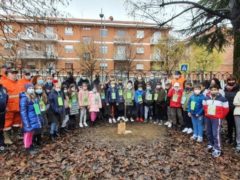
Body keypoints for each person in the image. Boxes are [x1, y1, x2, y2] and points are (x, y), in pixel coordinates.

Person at [203, 84, 229, 158]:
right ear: (209, 90)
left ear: (218, 90)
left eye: (215, 89)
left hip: (216, 119)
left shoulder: (223, 99)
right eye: (212, 89)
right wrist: (207, 114)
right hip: (208, 117)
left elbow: (226, 109)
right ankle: (211, 144)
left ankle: (218, 149)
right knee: (208, 132)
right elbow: (204, 106)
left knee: (216, 133)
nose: (213, 91)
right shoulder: (206, 98)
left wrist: (220, 116)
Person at [20, 83, 42, 154]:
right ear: (26, 89)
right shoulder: (24, 98)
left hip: (34, 119)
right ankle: (27, 147)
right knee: (27, 134)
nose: (31, 89)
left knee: (31, 133)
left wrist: (39, 118)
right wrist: (26, 123)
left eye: (32, 88)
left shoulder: (34, 97)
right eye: (29, 88)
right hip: (28, 120)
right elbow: (23, 112)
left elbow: (37, 109)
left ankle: (30, 145)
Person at [2, 68, 21, 145]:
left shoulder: (18, 83)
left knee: (16, 122)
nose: (14, 74)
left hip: (17, 107)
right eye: (12, 73)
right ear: (8, 74)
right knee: (7, 123)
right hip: (8, 107)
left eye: (15, 73)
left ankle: (15, 136)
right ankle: (7, 138)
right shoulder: (3, 83)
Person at [224, 76, 239, 144]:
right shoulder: (225, 89)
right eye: (229, 80)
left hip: (236, 110)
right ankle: (229, 138)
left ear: (235, 81)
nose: (231, 82)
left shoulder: (238, 89)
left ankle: (236, 140)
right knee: (229, 125)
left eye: (233, 80)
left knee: (237, 126)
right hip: (228, 110)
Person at [0, 81, 8, 151]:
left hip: (2, 113)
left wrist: (6, 106)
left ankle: (2, 144)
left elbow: (6, 98)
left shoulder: (3, 89)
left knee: (1, 129)